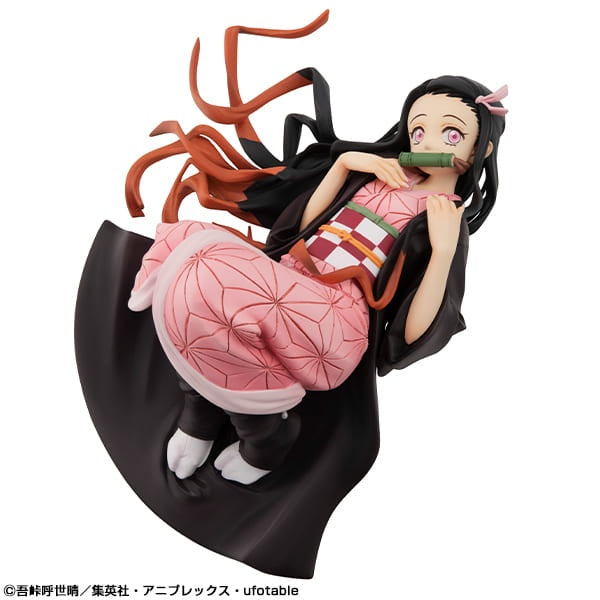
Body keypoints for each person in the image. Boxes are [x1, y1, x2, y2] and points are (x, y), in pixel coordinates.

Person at [124, 15, 507, 485]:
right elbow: (298, 230)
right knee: (186, 238)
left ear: (481, 149)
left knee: (209, 277)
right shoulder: (377, 175)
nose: (427, 143)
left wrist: (444, 252)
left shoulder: (444, 219)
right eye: (418, 130)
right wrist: (343, 165)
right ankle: (205, 408)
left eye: (450, 135)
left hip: (334, 320)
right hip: (290, 277)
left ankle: (264, 434)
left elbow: (413, 334)